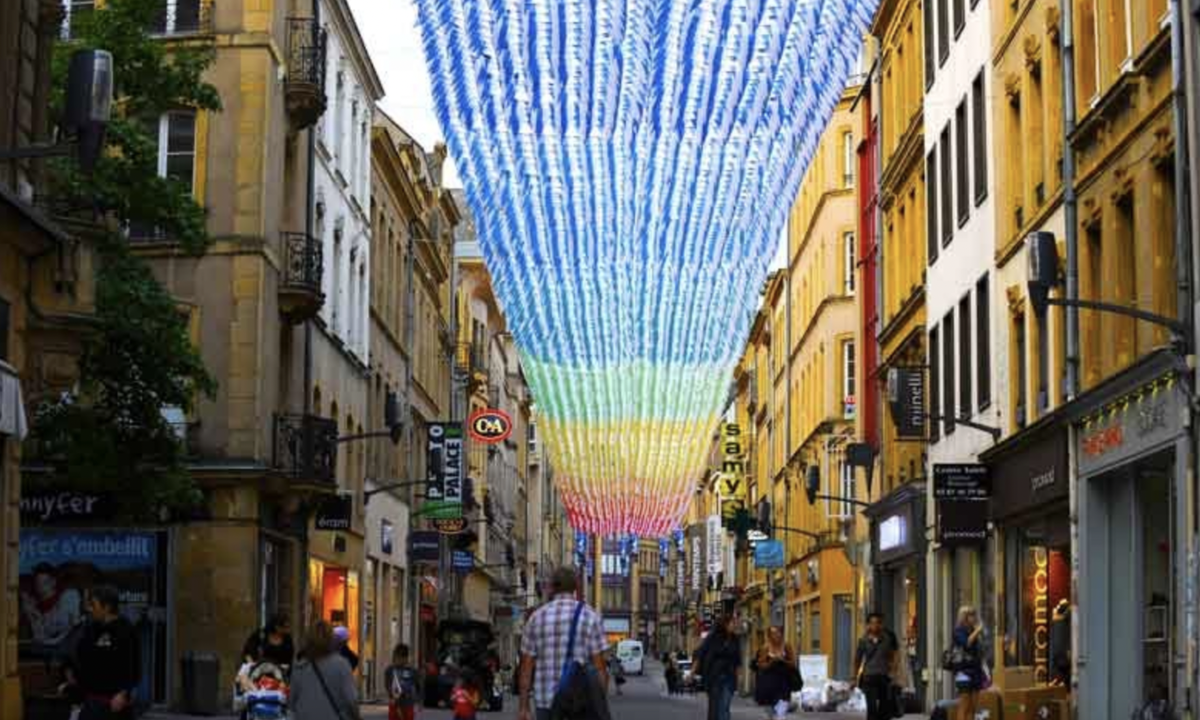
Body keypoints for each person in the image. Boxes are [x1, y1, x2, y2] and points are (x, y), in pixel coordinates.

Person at [517, 567, 610, 720]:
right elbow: (601, 670)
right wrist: (599, 704)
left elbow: (526, 669)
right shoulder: (591, 617)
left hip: (546, 704)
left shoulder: (536, 618)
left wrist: (523, 707)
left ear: (552, 587)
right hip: (580, 705)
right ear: (576, 587)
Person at [289, 621, 361, 720]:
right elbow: (351, 700)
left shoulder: (300, 666)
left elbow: (292, 702)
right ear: (331, 640)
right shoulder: (341, 665)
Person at [22, 563, 83, 654]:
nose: (41, 587)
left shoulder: (68, 596)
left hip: (67, 644)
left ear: (53, 582)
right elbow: (39, 638)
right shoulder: (34, 606)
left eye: (45, 582)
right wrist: (33, 615)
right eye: (38, 583)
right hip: (50, 648)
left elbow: (67, 626)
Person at [694, 613, 741, 720]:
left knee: (724, 707)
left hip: (729, 678)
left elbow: (738, 660)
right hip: (714, 678)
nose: (735, 625)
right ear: (725, 624)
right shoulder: (713, 637)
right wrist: (692, 672)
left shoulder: (735, 639)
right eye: (732, 623)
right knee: (714, 708)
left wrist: (738, 678)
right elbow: (700, 653)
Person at [855, 612, 898, 720]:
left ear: (881, 624)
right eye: (872, 623)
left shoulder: (887, 639)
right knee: (872, 708)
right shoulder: (863, 640)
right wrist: (854, 676)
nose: (875, 626)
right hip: (869, 677)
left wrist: (893, 671)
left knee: (884, 709)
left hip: (884, 677)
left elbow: (893, 656)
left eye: (878, 623)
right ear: (868, 625)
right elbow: (857, 659)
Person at [754, 626, 799, 720]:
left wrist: (783, 660)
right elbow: (760, 665)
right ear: (769, 636)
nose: (776, 635)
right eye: (773, 633)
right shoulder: (765, 648)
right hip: (769, 684)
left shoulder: (786, 646)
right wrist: (771, 662)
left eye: (778, 633)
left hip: (784, 684)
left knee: (781, 715)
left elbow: (793, 663)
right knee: (771, 714)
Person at [951, 606, 985, 720]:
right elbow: (966, 643)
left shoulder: (973, 630)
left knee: (973, 706)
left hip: (975, 670)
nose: (974, 617)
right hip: (963, 672)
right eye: (971, 615)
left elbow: (980, 649)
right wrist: (977, 631)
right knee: (964, 704)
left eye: (974, 614)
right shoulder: (958, 631)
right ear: (965, 617)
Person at [385, 643, 420, 720]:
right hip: (394, 704)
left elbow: (418, 686)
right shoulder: (390, 670)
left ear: (405, 658)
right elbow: (387, 685)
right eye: (396, 657)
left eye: (400, 657)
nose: (396, 660)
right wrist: (391, 696)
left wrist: (418, 701)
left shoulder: (412, 671)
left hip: (408, 704)